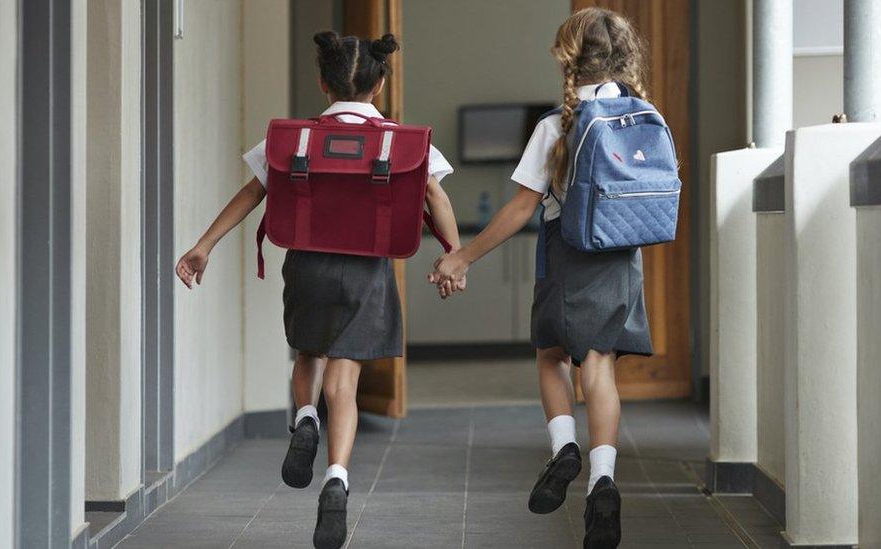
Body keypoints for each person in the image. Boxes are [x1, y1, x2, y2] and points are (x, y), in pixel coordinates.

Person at [175, 31, 461, 549]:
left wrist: (204, 245)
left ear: (322, 82)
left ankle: (304, 418)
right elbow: (435, 195)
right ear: (378, 87)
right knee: (344, 384)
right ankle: (336, 477)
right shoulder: (400, 140)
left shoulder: (294, 139)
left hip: (307, 266)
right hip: (367, 271)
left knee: (309, 353)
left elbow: (251, 193)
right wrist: (453, 256)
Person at [430, 8, 654, 548]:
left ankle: (564, 449)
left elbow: (521, 208)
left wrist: (462, 257)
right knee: (598, 368)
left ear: (568, 58)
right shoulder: (645, 114)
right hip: (623, 259)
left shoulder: (557, 124)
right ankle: (603, 481)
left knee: (552, 355)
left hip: (567, 255)